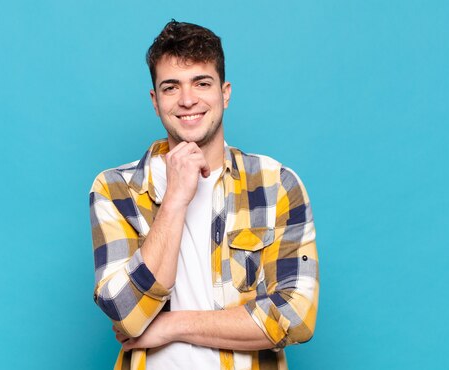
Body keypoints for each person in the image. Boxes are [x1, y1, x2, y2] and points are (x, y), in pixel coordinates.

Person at [89, 20, 319, 370]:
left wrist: (172, 326)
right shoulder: (115, 189)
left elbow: (296, 316)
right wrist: (176, 198)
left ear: (225, 92)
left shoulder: (277, 185)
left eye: (201, 83)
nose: (187, 99)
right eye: (171, 87)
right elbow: (126, 314)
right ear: (155, 100)